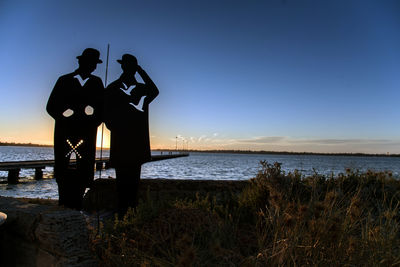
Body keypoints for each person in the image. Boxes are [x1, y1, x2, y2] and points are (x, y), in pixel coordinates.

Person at [47, 48, 104, 209]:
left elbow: (101, 111)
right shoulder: (64, 80)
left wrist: (91, 121)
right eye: (91, 63)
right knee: (63, 173)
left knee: (83, 172)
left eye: (94, 64)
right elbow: (51, 107)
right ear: (81, 62)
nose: (93, 67)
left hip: (86, 136)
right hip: (64, 134)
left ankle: (76, 206)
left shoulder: (96, 83)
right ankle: (63, 205)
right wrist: (66, 115)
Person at [104, 54, 159, 217]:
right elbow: (105, 114)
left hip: (136, 142)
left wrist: (142, 71)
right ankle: (122, 214)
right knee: (122, 183)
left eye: (132, 67)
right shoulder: (112, 88)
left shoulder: (142, 89)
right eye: (128, 66)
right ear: (123, 67)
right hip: (122, 141)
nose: (130, 70)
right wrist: (114, 125)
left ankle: (130, 215)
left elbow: (155, 91)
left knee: (133, 183)